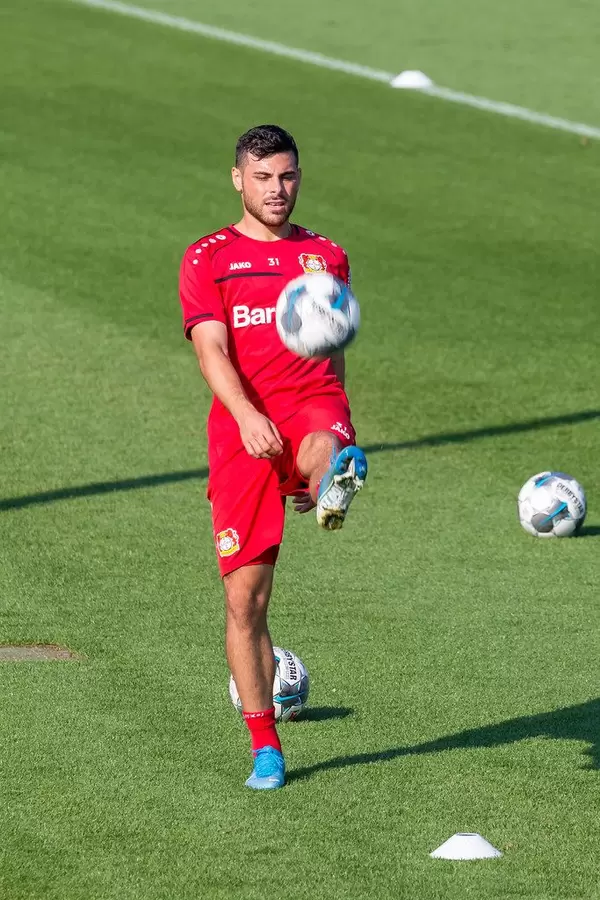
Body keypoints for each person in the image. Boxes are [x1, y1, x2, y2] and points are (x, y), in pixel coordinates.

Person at [179, 124, 367, 790]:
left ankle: (334, 470)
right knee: (245, 603)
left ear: (299, 176)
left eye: (287, 176)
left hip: (311, 403)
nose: (277, 190)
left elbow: (334, 351)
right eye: (263, 178)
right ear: (238, 179)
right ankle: (266, 745)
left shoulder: (325, 256)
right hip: (242, 431)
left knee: (324, 442)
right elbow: (210, 350)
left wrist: (339, 412)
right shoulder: (207, 259)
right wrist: (247, 415)